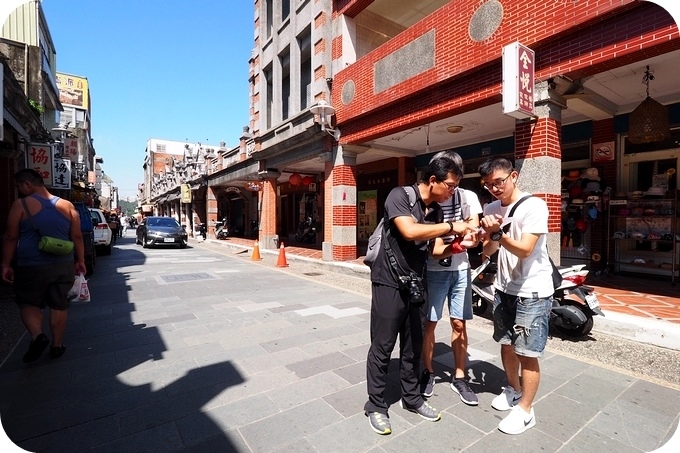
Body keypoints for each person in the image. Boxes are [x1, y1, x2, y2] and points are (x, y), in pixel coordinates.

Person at [364, 155, 475, 435]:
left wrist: (460, 246)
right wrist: (453, 226)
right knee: (383, 346)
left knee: (413, 346)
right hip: (388, 282)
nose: (452, 191)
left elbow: (436, 250)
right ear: (433, 180)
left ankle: (412, 398)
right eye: (450, 186)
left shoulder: (435, 211)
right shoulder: (400, 195)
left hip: (416, 283)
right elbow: (410, 231)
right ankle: (376, 406)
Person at [479, 157, 553, 435]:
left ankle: (525, 410)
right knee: (506, 343)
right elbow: (488, 251)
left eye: (498, 182)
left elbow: (525, 249)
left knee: (527, 352)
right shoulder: (490, 207)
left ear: (513, 176)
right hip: (504, 287)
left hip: (532, 290)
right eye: (488, 185)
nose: (494, 189)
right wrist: (484, 234)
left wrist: (498, 233)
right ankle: (513, 389)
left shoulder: (534, 205)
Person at [1, 169, 86, 362]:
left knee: (29, 302)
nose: (19, 190)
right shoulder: (67, 205)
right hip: (63, 263)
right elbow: (77, 236)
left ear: (28, 184)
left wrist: (5, 264)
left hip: (31, 265)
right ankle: (57, 346)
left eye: (19, 186)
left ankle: (38, 335)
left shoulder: (20, 204)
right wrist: (80, 260)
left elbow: (10, 236)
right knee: (59, 304)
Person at [420, 151, 482, 406]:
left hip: (460, 270)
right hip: (434, 270)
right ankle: (428, 372)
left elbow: (474, 226)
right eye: (450, 182)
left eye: (457, 181)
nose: (453, 188)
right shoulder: (430, 200)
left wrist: (471, 237)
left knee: (459, 323)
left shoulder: (467, 197)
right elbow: (433, 247)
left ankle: (459, 375)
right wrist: (456, 237)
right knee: (430, 323)